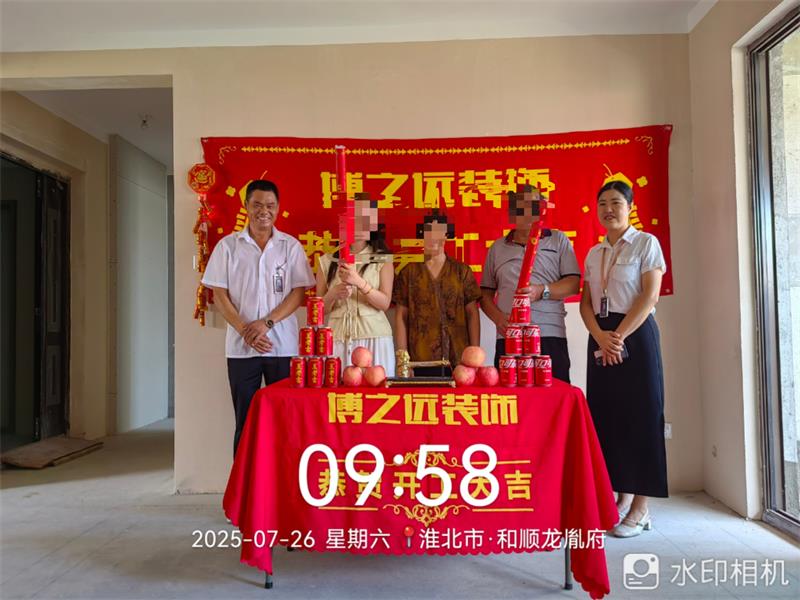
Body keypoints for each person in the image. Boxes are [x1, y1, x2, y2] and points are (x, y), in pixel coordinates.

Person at [580, 180, 668, 538]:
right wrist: (600, 337)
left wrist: (617, 337)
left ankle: (641, 509)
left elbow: (649, 296)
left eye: (616, 202)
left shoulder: (646, 243)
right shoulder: (594, 253)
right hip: (600, 337)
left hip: (635, 335)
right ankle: (621, 496)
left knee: (642, 417)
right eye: (602, 203)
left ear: (630, 207)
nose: (608, 209)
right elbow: (586, 303)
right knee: (608, 417)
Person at [203, 180, 315, 456]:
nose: (264, 211)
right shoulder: (228, 246)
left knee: (286, 420)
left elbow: (298, 293)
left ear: (277, 208)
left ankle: (282, 479)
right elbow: (219, 295)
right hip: (242, 350)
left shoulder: (290, 246)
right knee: (245, 421)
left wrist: (266, 323)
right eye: (257, 205)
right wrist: (246, 330)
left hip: (282, 347)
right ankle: (245, 483)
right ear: (246, 206)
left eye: (270, 205)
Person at [479, 184, 580, 382]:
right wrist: (499, 319)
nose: (525, 212)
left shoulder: (558, 240)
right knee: (511, 396)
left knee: (553, 394)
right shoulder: (497, 248)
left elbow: (573, 284)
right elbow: (485, 295)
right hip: (510, 336)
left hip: (549, 333)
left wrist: (542, 291)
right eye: (519, 207)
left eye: (532, 206)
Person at [393, 211, 482, 376]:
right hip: (420, 358)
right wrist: (403, 362)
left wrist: (474, 356)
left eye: (438, 232)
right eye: (428, 231)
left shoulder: (461, 272)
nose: (432, 237)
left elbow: (472, 314)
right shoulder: (409, 273)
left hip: (458, 360)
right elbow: (400, 316)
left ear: (446, 235)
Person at [316, 194, 395, 376]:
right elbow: (318, 311)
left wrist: (359, 282)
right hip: (338, 338)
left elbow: (384, 303)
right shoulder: (327, 261)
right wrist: (333, 294)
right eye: (354, 218)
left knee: (376, 388)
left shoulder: (383, 259)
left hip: (375, 336)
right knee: (339, 390)